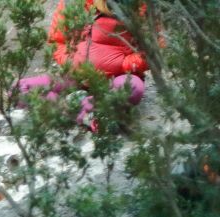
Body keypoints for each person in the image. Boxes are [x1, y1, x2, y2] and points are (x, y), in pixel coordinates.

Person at [14, 0, 151, 131]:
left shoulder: (140, 6)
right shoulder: (72, 2)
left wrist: (123, 64)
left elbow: (154, 49)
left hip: (115, 80)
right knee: (18, 91)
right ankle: (77, 109)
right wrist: (70, 62)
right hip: (75, 76)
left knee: (133, 87)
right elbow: (58, 40)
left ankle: (84, 106)